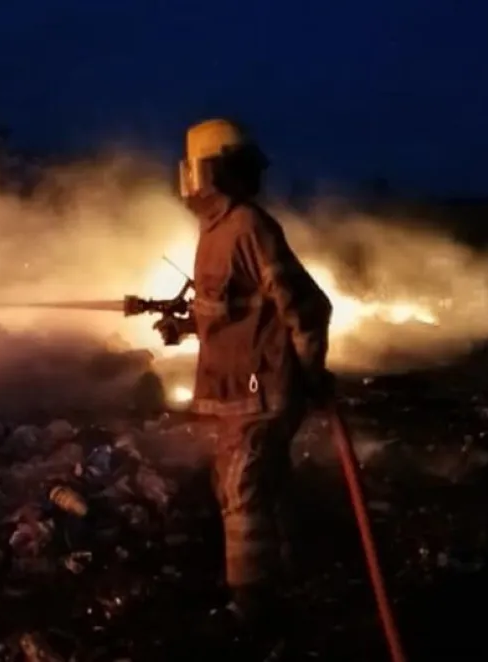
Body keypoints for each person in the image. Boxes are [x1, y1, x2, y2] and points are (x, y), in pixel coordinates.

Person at [156, 118, 334, 658]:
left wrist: (310, 371)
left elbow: (306, 305)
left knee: (243, 493)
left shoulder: (248, 227)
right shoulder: (215, 234)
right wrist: (185, 326)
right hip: (238, 390)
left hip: (261, 391)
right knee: (258, 487)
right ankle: (283, 578)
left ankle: (252, 610)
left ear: (199, 172)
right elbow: (231, 310)